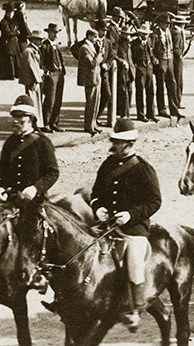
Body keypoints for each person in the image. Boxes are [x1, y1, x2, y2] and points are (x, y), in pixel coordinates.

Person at [89, 118, 162, 331]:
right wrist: (98, 208)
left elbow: (155, 202)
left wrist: (130, 215)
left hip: (133, 227)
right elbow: (96, 193)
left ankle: (134, 307)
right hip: (106, 224)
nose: (113, 145)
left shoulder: (143, 169)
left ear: (129, 144)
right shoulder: (107, 164)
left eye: (117, 142)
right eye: (113, 141)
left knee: (134, 262)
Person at [0, 95, 59, 203]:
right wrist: (1, 187)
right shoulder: (9, 142)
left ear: (31, 119)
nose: (16, 121)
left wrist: (36, 188)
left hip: (35, 200)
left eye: (21, 117)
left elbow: (53, 173)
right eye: (15, 117)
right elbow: (2, 171)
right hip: (11, 198)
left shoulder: (42, 142)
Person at [73, 28, 102, 135]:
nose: (96, 39)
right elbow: (92, 63)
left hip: (95, 78)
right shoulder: (84, 48)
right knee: (91, 103)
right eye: (95, 36)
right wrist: (100, 55)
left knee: (95, 103)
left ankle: (93, 124)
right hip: (90, 79)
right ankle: (89, 126)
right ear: (89, 36)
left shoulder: (91, 47)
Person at [39, 23, 66, 132]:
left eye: (56, 33)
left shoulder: (56, 45)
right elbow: (41, 61)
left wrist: (62, 71)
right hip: (51, 75)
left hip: (59, 74)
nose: (55, 35)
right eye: (53, 33)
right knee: (50, 99)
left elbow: (60, 60)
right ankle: (45, 123)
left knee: (58, 100)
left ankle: (54, 122)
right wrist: (47, 71)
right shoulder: (45, 45)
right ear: (48, 33)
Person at [17, 31, 47, 130]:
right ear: (33, 40)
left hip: (35, 80)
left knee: (36, 102)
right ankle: (34, 124)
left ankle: (37, 124)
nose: (40, 41)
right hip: (32, 81)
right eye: (39, 39)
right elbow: (31, 67)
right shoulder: (29, 51)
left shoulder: (34, 50)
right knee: (33, 102)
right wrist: (38, 77)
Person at [130, 25, 155, 122]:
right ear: (140, 33)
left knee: (150, 91)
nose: (145, 36)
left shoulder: (149, 41)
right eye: (144, 34)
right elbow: (132, 56)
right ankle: (140, 114)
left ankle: (151, 113)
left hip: (148, 68)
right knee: (140, 92)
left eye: (147, 34)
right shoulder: (134, 43)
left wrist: (152, 61)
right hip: (140, 68)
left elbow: (151, 53)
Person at [0, 2, 19, 80]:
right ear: (6, 12)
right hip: (5, 43)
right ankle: (7, 75)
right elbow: (7, 32)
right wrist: (15, 33)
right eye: (9, 12)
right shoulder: (3, 22)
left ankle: (13, 74)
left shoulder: (13, 21)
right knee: (6, 58)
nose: (10, 14)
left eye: (12, 12)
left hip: (13, 43)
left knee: (13, 58)